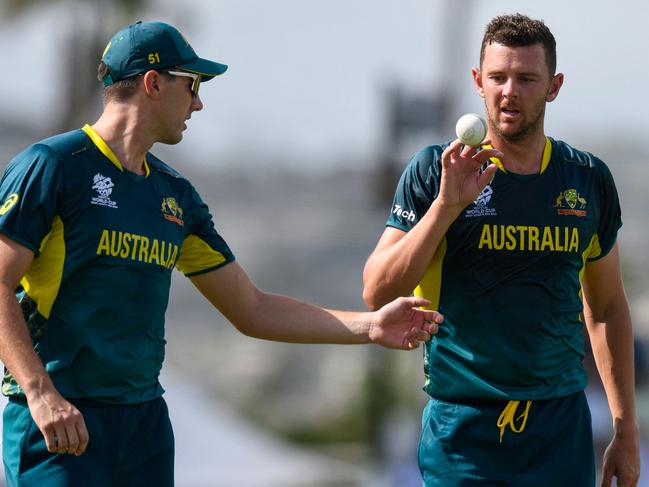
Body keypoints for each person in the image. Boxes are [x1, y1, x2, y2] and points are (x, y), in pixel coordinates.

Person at [0, 21, 443, 486]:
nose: (198, 102)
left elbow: (251, 308)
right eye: (191, 84)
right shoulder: (53, 167)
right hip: (61, 420)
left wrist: (371, 326)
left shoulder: (174, 196)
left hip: (143, 425)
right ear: (153, 83)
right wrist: (39, 392)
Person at [362, 13, 640, 487]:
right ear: (478, 82)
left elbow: (608, 307)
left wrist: (625, 427)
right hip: (462, 429)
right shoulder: (435, 171)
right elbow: (377, 290)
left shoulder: (586, 178)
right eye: (498, 77)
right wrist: (446, 208)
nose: (509, 91)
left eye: (527, 79)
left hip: (559, 428)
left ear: (554, 87)